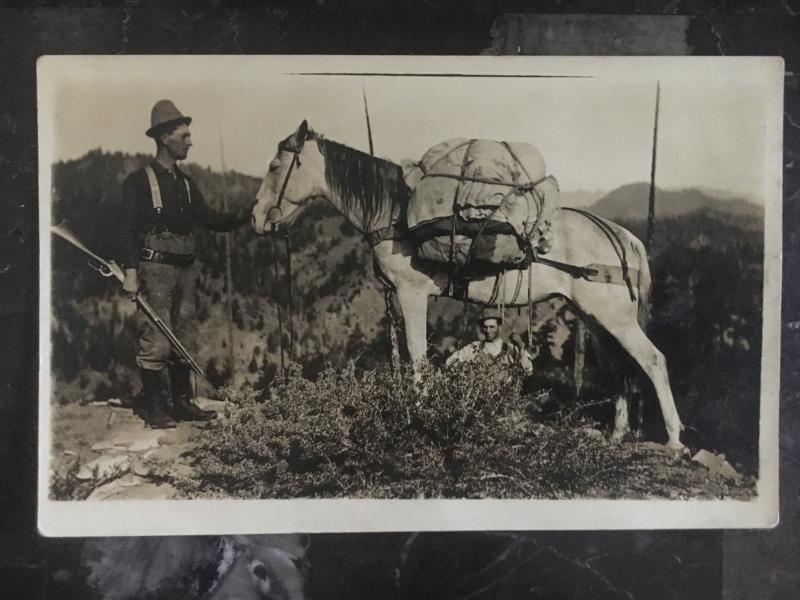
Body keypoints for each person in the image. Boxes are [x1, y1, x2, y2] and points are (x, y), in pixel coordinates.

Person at [119, 99, 253, 428]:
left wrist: (249, 214)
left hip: (186, 270)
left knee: (186, 335)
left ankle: (181, 403)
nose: (190, 141)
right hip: (154, 270)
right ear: (165, 137)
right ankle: (154, 407)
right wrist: (131, 273)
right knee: (157, 339)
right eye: (185, 135)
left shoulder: (186, 184)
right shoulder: (137, 182)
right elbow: (126, 231)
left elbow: (211, 219)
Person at [445, 308, 534, 376]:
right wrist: (467, 372)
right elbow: (449, 363)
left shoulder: (508, 349)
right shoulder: (475, 347)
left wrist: (520, 346)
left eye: (492, 327)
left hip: (504, 396)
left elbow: (528, 370)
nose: (488, 330)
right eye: (485, 327)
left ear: (499, 327)